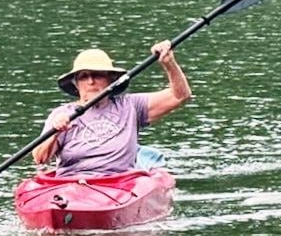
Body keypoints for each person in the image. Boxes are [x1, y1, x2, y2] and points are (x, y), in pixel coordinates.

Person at [31, 42, 191, 175]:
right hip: (71, 185)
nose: (91, 81)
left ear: (110, 79)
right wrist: (55, 132)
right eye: (84, 76)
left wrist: (169, 63)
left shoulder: (131, 105)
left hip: (118, 184)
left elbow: (180, 96)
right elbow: (40, 159)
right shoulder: (61, 114)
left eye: (97, 75)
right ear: (76, 84)